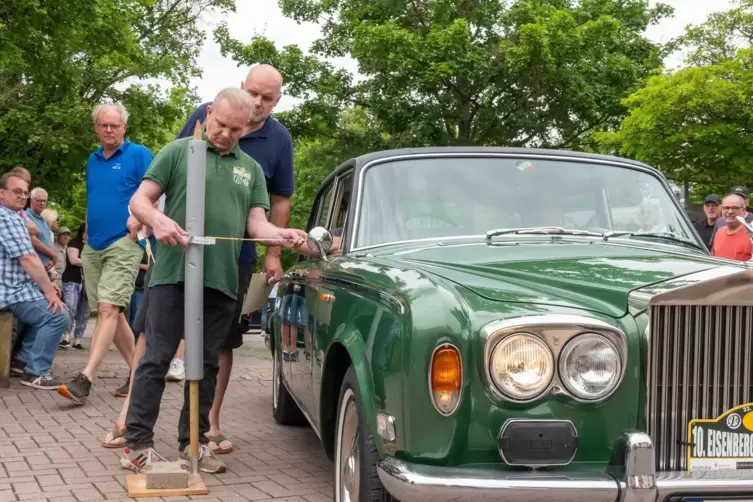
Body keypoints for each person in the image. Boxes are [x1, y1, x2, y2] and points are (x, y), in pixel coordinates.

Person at [122, 88, 306, 474]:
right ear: (208, 114)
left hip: (221, 280)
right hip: (172, 274)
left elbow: (256, 224)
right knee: (156, 358)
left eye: (236, 130)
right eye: (221, 125)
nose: (226, 134)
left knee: (206, 364)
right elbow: (140, 201)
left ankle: (193, 444)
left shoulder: (251, 170)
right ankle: (137, 444)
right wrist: (158, 221)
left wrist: (279, 236)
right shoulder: (178, 152)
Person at [175, 64, 295, 454]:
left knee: (221, 339)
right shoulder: (207, 113)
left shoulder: (280, 139)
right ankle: (130, 419)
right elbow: (172, 167)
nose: (259, 104)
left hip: (236, 255)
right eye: (254, 94)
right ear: (240, 88)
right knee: (155, 331)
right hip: (180, 246)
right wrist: (148, 216)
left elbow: (280, 199)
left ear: (278, 100)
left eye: (268, 98)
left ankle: (208, 424)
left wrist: (273, 253)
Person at [57, 103, 153, 404]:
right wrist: (86, 232)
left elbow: (155, 194)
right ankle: (141, 377)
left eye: (114, 125)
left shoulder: (139, 155)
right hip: (93, 246)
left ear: (125, 127)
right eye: (103, 125)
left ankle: (85, 377)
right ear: (96, 127)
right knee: (113, 313)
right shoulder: (92, 160)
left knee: (110, 309)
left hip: (125, 242)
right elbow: (93, 197)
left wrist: (140, 222)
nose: (108, 130)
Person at [0, 172, 69, 389]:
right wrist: (48, 291)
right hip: (9, 291)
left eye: (24, 193)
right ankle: (35, 372)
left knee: (55, 302)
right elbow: (28, 258)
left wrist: (47, 287)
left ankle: (22, 361)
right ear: (2, 194)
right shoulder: (6, 218)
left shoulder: (15, 216)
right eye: (16, 192)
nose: (22, 197)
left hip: (17, 288)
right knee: (58, 315)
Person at [60, 223, 91, 350]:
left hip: (88, 282)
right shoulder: (75, 242)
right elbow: (73, 259)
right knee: (70, 308)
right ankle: (66, 337)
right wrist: (92, 263)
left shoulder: (92, 244)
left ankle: (78, 340)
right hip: (72, 280)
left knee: (84, 311)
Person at [711, 194, 752, 262]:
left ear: (744, 210)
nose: (730, 211)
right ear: (721, 209)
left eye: (735, 208)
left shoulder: (750, 234)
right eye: (726, 208)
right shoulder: (719, 232)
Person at [26, 188, 56, 270]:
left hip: (46, 267)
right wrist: (53, 254)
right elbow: (33, 241)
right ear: (31, 201)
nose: (42, 203)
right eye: (39, 200)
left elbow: (50, 240)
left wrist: (52, 260)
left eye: (44, 201)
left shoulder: (43, 220)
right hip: (34, 267)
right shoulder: (26, 217)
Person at [51, 225, 70, 290]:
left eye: (68, 235)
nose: (66, 237)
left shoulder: (69, 249)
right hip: (56, 284)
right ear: (58, 236)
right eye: (63, 235)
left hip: (68, 285)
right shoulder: (52, 249)